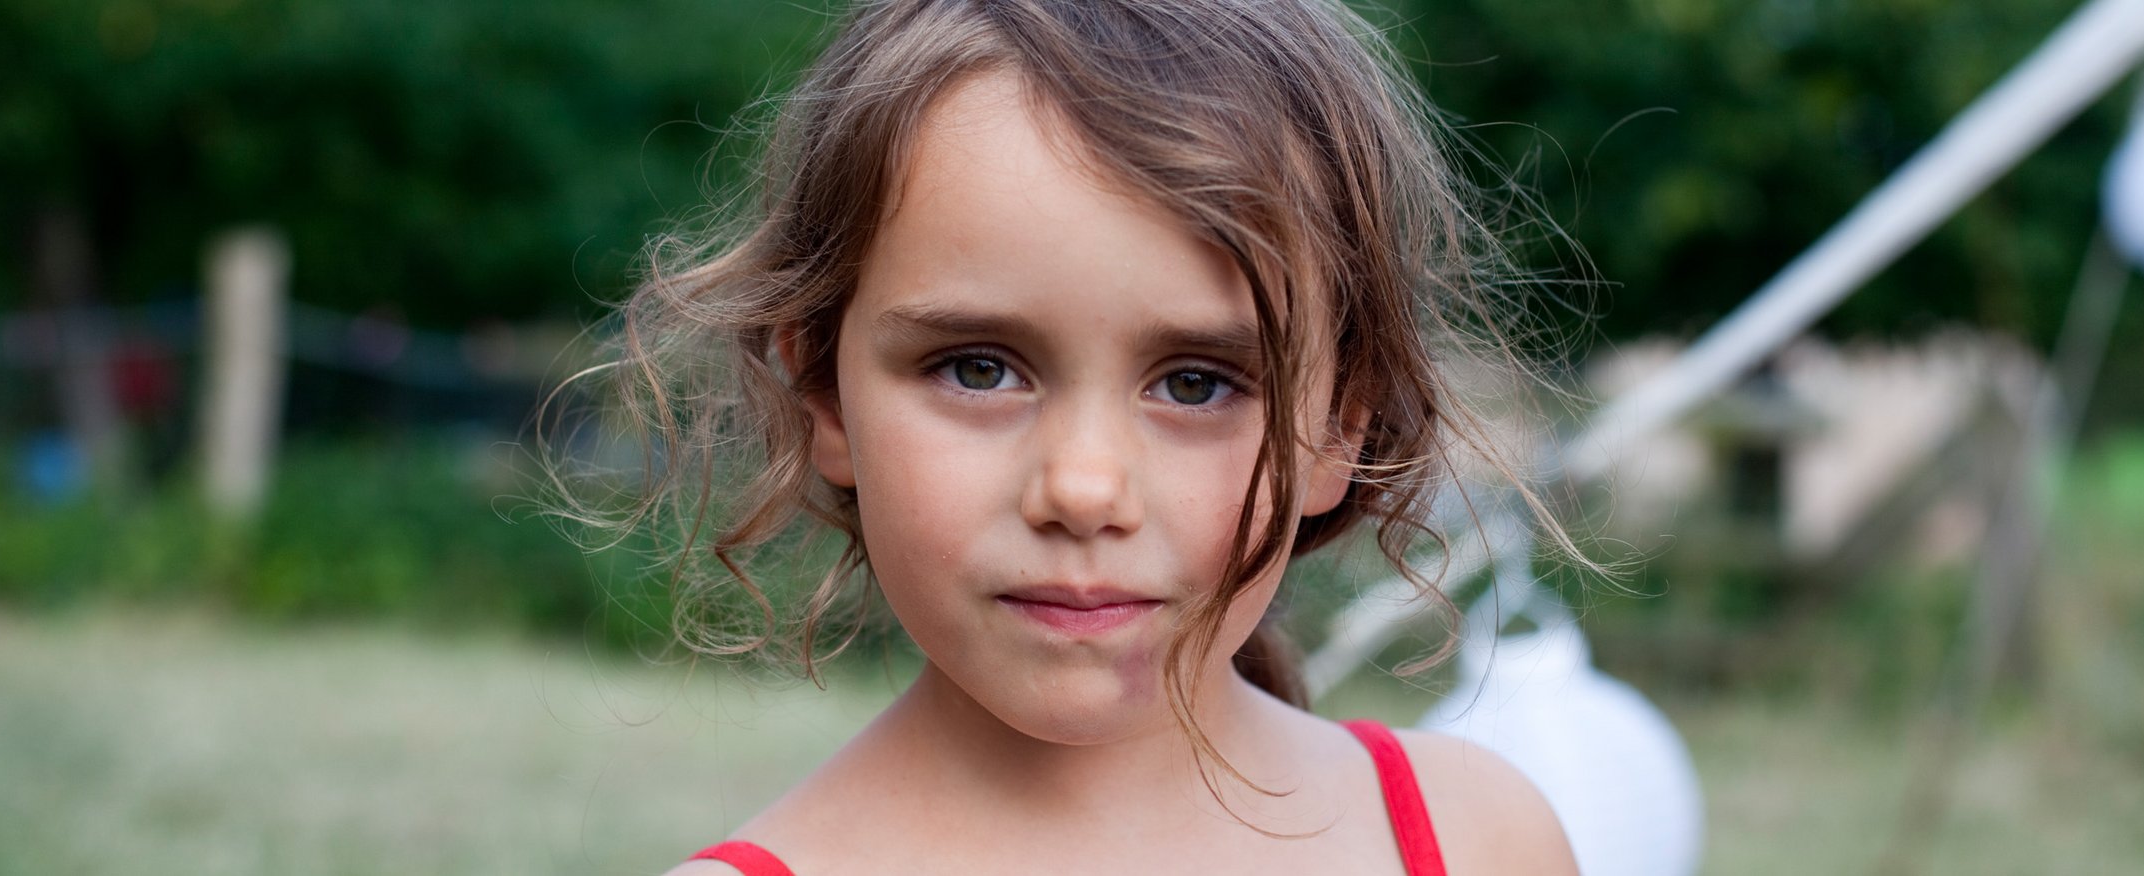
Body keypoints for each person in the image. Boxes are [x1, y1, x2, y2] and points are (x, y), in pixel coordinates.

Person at [578, 1, 1583, 873]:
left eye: (1196, 383)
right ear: (822, 394)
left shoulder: (1481, 842)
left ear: (1338, 423)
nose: (1083, 488)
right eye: (978, 368)